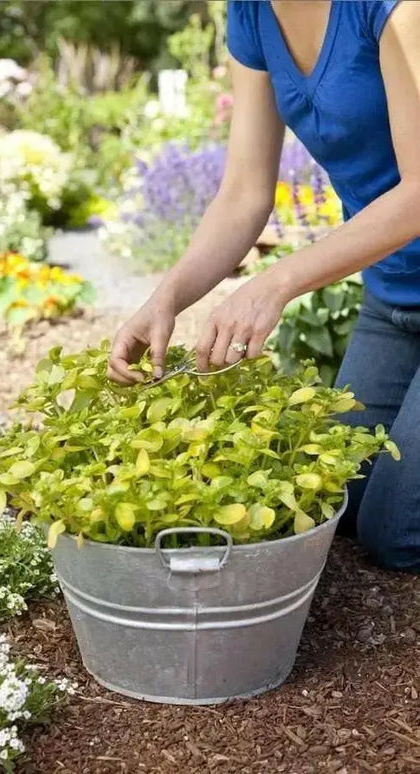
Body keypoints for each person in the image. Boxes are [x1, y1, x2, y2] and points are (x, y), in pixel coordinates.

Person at [108, 0, 420, 572]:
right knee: (336, 499)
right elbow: (245, 192)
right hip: (395, 296)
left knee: (397, 533)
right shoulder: (252, 13)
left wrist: (275, 284)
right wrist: (167, 299)